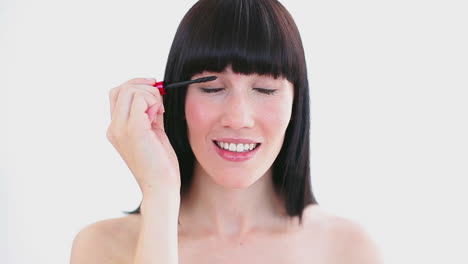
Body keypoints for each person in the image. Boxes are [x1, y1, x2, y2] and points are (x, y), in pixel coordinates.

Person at [70, 0, 382, 263]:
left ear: (295, 102)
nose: (238, 118)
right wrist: (159, 195)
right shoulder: (100, 247)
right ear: (176, 99)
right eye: (212, 88)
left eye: (264, 89)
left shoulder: (347, 249)